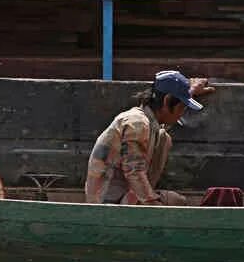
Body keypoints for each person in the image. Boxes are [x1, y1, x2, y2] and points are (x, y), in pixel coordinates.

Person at [85, 70, 214, 206]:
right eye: (182, 107)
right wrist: (154, 206)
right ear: (167, 101)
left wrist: (189, 92)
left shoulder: (147, 123)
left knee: (164, 138)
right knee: (176, 202)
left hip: (124, 198)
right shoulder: (137, 122)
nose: (182, 113)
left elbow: (160, 129)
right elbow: (134, 172)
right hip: (109, 206)